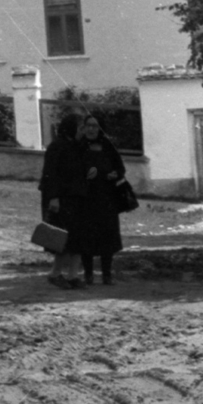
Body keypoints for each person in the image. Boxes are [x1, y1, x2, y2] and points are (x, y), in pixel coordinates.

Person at [46, 109, 127, 285]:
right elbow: (60, 172)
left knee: (106, 236)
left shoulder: (107, 146)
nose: (89, 130)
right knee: (80, 238)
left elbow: (120, 168)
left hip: (105, 198)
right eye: (86, 126)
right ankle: (83, 274)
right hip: (83, 198)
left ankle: (105, 275)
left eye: (94, 126)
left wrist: (114, 174)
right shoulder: (74, 145)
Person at [39, 114, 82, 287]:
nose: (83, 131)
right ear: (71, 128)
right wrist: (54, 198)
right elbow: (51, 174)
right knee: (62, 238)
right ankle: (55, 273)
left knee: (77, 238)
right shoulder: (57, 146)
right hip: (60, 199)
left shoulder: (77, 146)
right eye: (80, 128)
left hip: (76, 198)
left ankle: (73, 275)